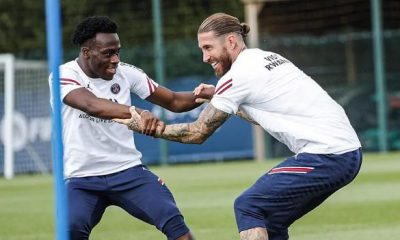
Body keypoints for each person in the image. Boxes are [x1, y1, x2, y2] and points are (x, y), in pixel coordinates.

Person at [114, 13, 363, 240]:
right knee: (271, 221)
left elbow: (198, 133)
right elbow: (261, 115)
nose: (205, 57)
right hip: (345, 152)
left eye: (208, 47)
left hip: (328, 155)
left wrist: (148, 128)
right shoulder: (265, 58)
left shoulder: (238, 76)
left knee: (249, 205)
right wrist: (218, 96)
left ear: (231, 41)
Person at [48, 16, 209, 240]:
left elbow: (174, 101)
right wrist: (137, 112)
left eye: (117, 52)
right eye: (107, 53)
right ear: (86, 52)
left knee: (176, 225)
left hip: (128, 171)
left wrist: (213, 94)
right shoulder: (64, 75)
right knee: (70, 231)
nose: (115, 59)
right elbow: (91, 105)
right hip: (81, 178)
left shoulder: (126, 72)